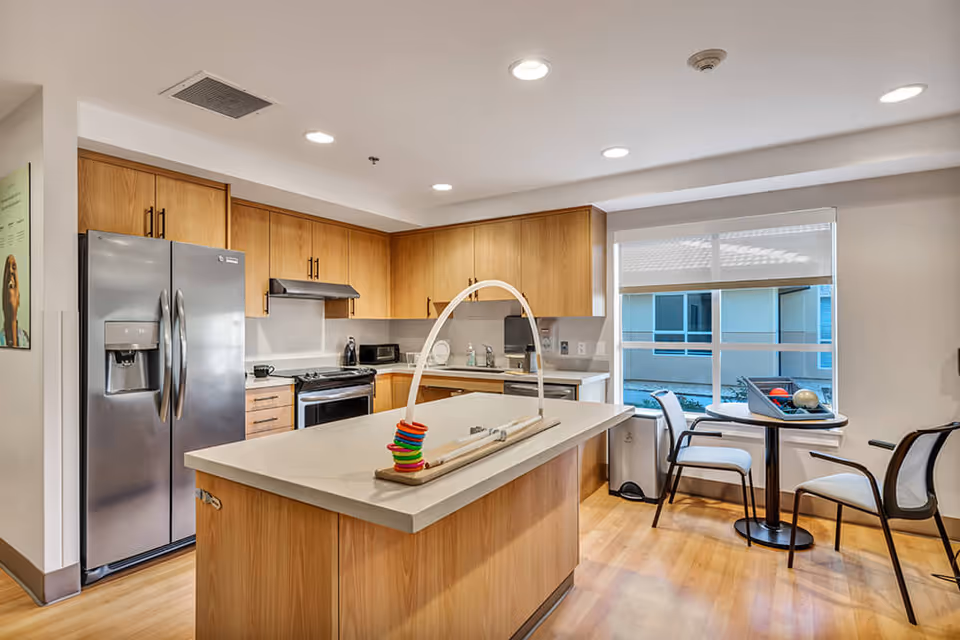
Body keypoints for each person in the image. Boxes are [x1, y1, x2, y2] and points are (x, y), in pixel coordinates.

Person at [1, 254, 28, 348]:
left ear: (18, 300)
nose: (11, 271)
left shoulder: (26, 339)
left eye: (13, 266)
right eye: (7, 269)